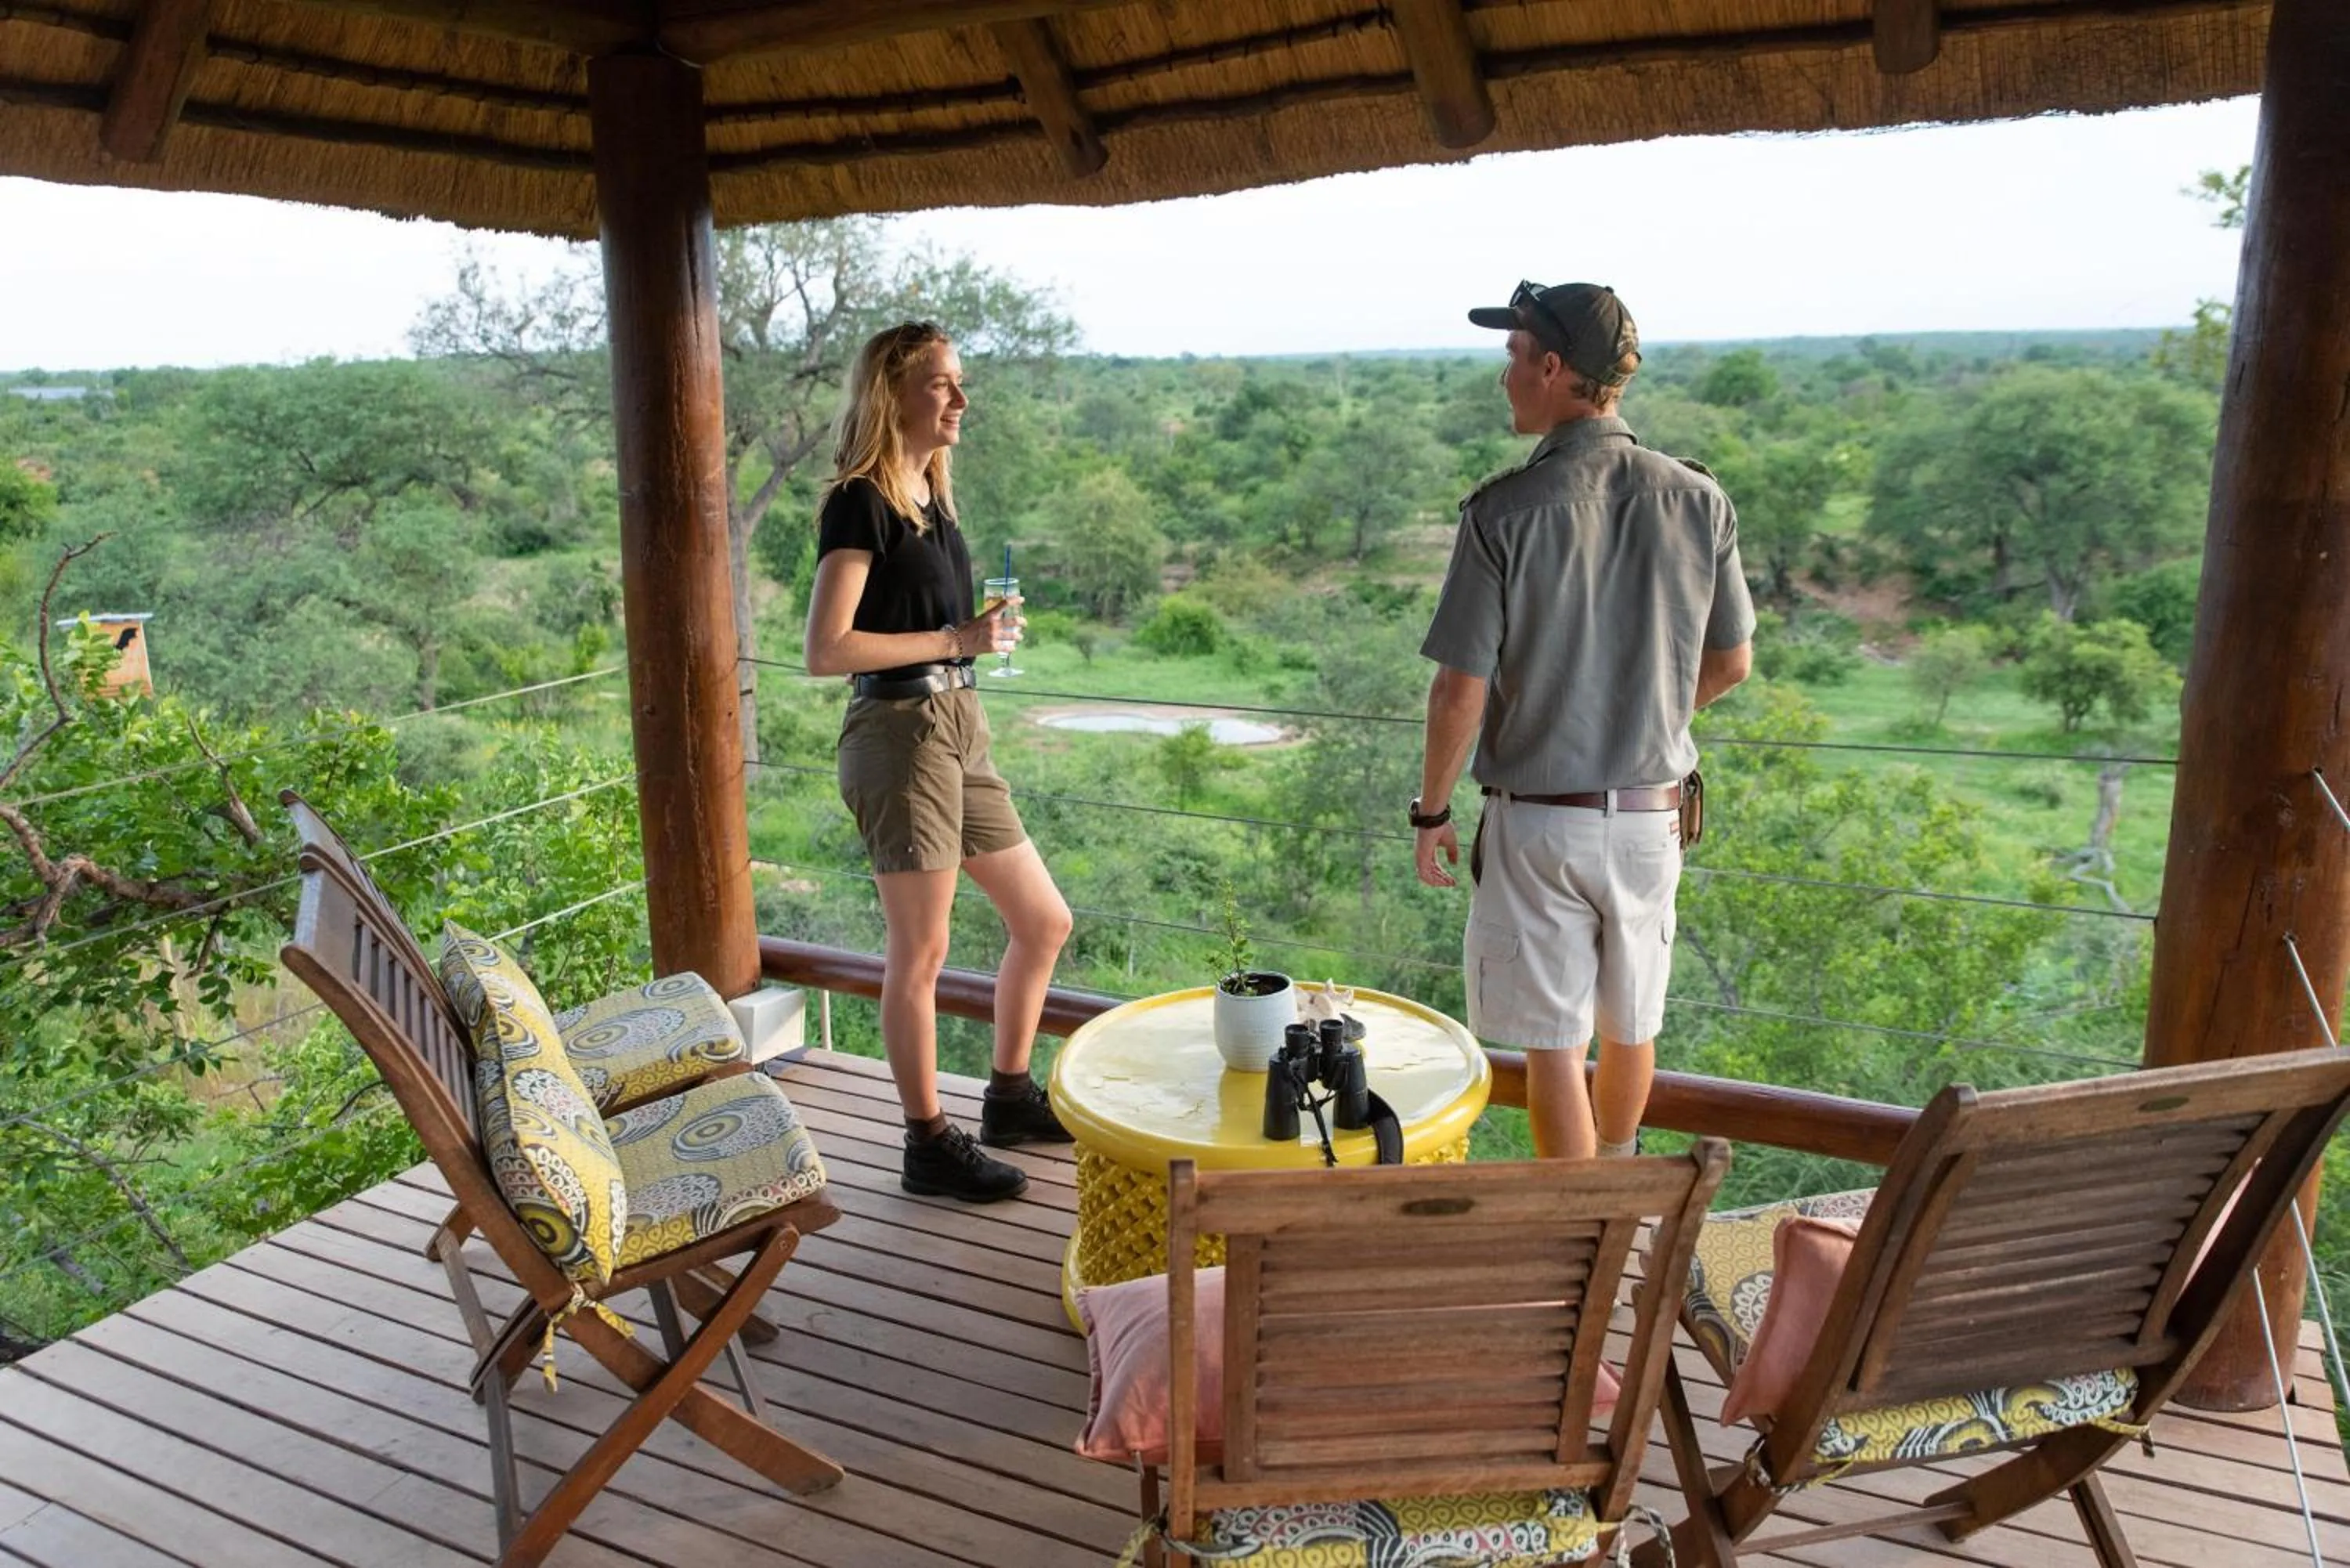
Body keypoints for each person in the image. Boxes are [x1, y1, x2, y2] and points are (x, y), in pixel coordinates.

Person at [1410, 281, 1754, 1161]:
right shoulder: (1698, 499)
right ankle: (1625, 1213)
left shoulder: (1502, 512)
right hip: (1651, 815)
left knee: (1554, 1043)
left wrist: (1433, 810)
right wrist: (1640, 716)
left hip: (1541, 823)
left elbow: (1460, 689)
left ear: (1556, 368)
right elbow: (1731, 663)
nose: (1507, 378)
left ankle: (1574, 1237)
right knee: (1631, 1027)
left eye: (1516, 357)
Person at [803, 320, 1075, 1203]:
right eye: (943, 384)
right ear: (894, 392)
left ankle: (1007, 1095)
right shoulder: (861, 499)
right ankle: (926, 1142)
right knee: (921, 949)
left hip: (960, 722)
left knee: (1044, 921)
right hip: (897, 736)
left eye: (960, 382)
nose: (961, 399)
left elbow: (942, 631)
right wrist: (958, 635)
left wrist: (973, 642)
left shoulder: (932, 492)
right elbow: (827, 647)